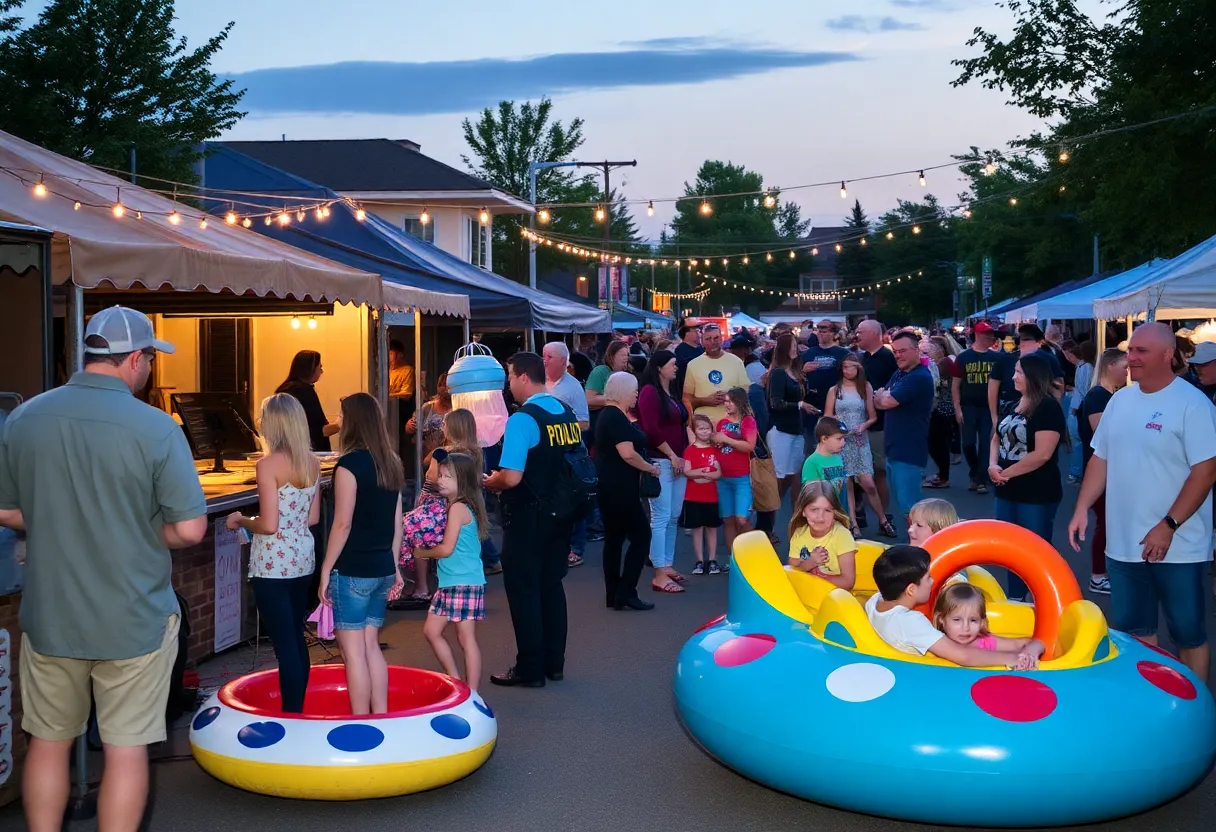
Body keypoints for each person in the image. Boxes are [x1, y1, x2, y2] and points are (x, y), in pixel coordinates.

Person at [0, 307, 206, 832]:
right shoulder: (158, 428)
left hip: (51, 617)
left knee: (47, 744)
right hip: (132, 618)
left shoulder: (25, 417)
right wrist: (132, 526)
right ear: (134, 359)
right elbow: (190, 531)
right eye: (150, 361)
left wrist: (59, 520)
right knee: (125, 751)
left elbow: (6, 510)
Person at [1068, 323, 1216, 682]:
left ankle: (1198, 711)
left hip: (1178, 546)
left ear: (1168, 355)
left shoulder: (1193, 404)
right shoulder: (1120, 400)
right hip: (1123, 546)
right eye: (1131, 351)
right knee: (1136, 635)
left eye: (1141, 352)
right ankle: (1155, 709)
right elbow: (1100, 459)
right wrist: (1081, 507)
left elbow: (1206, 471)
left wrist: (1168, 525)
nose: (1131, 357)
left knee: (1188, 634)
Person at [484, 352, 582, 687]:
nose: (508, 384)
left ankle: (529, 668)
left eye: (510, 376)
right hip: (563, 512)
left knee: (524, 592)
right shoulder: (565, 413)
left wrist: (490, 481)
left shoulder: (523, 419)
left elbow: (511, 477)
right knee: (552, 587)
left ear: (524, 377)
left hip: (528, 515)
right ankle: (555, 663)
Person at [226, 394, 321, 713]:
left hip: (272, 566)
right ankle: (298, 708)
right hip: (303, 561)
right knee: (295, 636)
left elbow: (267, 524)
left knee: (284, 647)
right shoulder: (312, 462)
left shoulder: (267, 465)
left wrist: (240, 519)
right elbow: (313, 518)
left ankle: (291, 716)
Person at [318, 393, 405, 715]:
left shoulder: (348, 465)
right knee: (370, 647)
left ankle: (359, 722)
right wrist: (394, 566)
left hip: (353, 568)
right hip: (382, 566)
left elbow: (342, 524)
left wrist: (326, 569)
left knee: (352, 653)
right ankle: (380, 717)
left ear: (353, 421)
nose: (338, 421)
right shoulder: (392, 463)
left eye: (341, 415)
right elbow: (398, 525)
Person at [866, 546, 1026, 667]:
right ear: (911, 590)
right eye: (928, 577)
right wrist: (1011, 658)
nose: (933, 581)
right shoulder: (909, 621)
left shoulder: (875, 601)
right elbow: (963, 656)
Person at [987, 353, 1066, 599]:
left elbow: (1042, 454)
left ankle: (1045, 600)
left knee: (1035, 550)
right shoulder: (1011, 404)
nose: (1013, 376)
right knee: (1011, 549)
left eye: (1019, 372)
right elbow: (996, 437)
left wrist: (1005, 473)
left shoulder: (1047, 406)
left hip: (1036, 493)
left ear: (1033, 376)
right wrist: (992, 465)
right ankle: (1017, 597)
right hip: (1006, 490)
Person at [418, 452, 488, 691]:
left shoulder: (457, 508)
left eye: (448, 477)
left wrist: (421, 553)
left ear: (463, 482)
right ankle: (457, 682)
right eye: (442, 475)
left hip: (462, 581)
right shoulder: (457, 505)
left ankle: (471, 692)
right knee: (432, 630)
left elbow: (446, 549)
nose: (441, 480)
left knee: (466, 639)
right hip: (453, 581)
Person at [595, 372, 659, 611]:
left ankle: (614, 593)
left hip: (609, 485)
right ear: (623, 392)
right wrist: (650, 468)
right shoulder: (616, 418)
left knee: (614, 540)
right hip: (620, 487)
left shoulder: (609, 415)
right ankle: (627, 590)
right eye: (634, 390)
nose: (636, 394)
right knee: (642, 536)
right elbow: (628, 454)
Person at [637, 350, 690, 593]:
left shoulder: (671, 392)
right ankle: (659, 570)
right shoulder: (650, 392)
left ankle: (666, 563)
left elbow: (681, 424)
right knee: (661, 515)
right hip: (661, 460)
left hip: (676, 460)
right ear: (659, 367)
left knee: (673, 515)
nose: (676, 367)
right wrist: (671, 454)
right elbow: (651, 428)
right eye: (672, 364)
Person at [1076, 348, 1128, 596]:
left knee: (1110, 524)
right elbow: (1104, 435)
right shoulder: (1098, 397)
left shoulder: (1109, 395)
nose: (1127, 371)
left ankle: (1103, 573)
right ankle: (1098, 575)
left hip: (1110, 471)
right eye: (1123, 366)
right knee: (1105, 525)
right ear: (1110, 366)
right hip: (1101, 470)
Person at [827, 353, 894, 537]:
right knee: (847, 483)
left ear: (859, 368)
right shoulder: (835, 389)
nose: (848, 370)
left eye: (852, 366)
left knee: (868, 483)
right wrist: (838, 422)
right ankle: (853, 523)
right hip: (842, 440)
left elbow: (873, 416)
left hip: (860, 440)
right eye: (845, 367)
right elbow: (827, 415)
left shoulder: (865, 387)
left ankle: (883, 520)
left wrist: (863, 425)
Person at [874, 330, 935, 524]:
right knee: (906, 507)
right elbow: (880, 399)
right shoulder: (900, 373)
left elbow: (885, 401)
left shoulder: (918, 377)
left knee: (911, 510)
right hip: (895, 449)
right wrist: (882, 397)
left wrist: (883, 396)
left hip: (908, 451)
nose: (898, 355)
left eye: (902, 351)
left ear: (916, 350)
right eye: (895, 351)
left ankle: (921, 549)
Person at [544, 341, 592, 569]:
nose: (544, 361)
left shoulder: (573, 387)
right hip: (547, 451)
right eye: (543, 356)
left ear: (563, 361)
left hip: (570, 452)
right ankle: (556, 545)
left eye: (549, 357)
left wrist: (559, 427)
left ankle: (577, 548)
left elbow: (584, 423)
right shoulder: (540, 383)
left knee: (573, 498)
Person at [932, 584, 1045, 669]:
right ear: (942, 619)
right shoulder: (936, 643)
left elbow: (1030, 643)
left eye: (973, 620)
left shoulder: (985, 642)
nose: (965, 628)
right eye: (957, 620)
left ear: (982, 622)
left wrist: (1031, 650)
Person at [766, 332, 815, 513]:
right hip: (781, 430)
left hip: (797, 430)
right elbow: (775, 402)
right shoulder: (778, 373)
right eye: (793, 345)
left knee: (795, 474)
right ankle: (769, 515)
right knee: (780, 475)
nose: (796, 348)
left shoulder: (795, 372)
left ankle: (797, 514)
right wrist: (800, 405)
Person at [856, 319, 897, 519]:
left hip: (880, 424)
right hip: (859, 422)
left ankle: (885, 513)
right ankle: (860, 508)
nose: (857, 335)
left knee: (878, 470)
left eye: (860, 331)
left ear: (873, 334)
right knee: (858, 470)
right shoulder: (861, 358)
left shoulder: (889, 358)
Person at [951, 322, 998, 494]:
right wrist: (957, 408)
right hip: (968, 406)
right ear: (977, 335)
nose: (990, 338)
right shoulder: (964, 357)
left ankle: (980, 480)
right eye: (987, 335)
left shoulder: (996, 358)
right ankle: (976, 472)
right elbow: (956, 385)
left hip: (988, 407)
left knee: (986, 443)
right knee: (968, 444)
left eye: (991, 335)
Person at [787, 480, 857, 591]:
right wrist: (809, 563)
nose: (820, 517)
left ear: (834, 512)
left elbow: (848, 582)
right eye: (814, 510)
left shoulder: (842, 535)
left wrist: (820, 576)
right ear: (803, 511)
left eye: (827, 511)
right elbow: (792, 572)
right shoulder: (799, 534)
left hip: (834, 597)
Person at [988, 323, 1065, 425]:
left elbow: (1058, 386)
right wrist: (994, 417)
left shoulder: (1048, 358)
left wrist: (1055, 412)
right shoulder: (1007, 359)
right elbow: (993, 385)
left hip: (1038, 411)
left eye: (1025, 339)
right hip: (1009, 410)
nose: (1014, 377)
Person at [714, 387, 758, 555]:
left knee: (742, 518)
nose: (727, 404)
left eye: (730, 401)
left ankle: (752, 553)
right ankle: (734, 559)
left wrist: (726, 439)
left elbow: (749, 445)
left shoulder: (747, 421)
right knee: (728, 520)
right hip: (723, 478)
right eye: (725, 401)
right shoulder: (722, 422)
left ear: (739, 402)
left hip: (742, 477)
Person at [681, 414, 723, 574]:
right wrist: (703, 472)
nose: (704, 432)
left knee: (712, 528)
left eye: (707, 428)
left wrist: (703, 474)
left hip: (710, 495)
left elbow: (718, 473)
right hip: (693, 496)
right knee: (697, 529)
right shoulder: (690, 450)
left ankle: (712, 559)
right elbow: (687, 471)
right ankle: (699, 560)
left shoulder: (714, 450)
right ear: (694, 430)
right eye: (701, 428)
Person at [799, 320, 850, 454]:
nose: (821, 333)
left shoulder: (843, 353)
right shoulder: (808, 354)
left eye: (825, 330)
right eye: (819, 330)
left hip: (836, 403)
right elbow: (796, 378)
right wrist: (803, 371)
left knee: (836, 444)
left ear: (833, 333)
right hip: (812, 404)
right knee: (812, 445)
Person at [684, 323, 750, 424]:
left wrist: (730, 396)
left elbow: (745, 393)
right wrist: (705, 401)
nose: (712, 342)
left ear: (722, 339)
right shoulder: (693, 365)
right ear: (701, 341)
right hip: (703, 426)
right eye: (708, 339)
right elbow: (686, 399)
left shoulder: (736, 361)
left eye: (716, 338)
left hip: (731, 424)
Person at [800, 417, 857, 533]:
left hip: (840, 516)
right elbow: (812, 495)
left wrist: (850, 517)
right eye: (839, 439)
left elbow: (845, 489)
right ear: (824, 439)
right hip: (822, 519)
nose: (843, 442)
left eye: (844, 439)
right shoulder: (812, 462)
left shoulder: (838, 459)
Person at [277, 350, 340, 452]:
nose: (321, 371)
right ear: (310, 369)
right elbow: (319, 431)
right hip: (309, 455)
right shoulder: (304, 392)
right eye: (320, 367)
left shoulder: (284, 390)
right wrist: (342, 422)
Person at [1063, 340, 1097, 483]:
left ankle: (1077, 472)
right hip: (1077, 408)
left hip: (1077, 409)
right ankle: (1078, 471)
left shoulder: (1085, 367)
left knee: (1077, 442)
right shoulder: (1084, 367)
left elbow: (1085, 391)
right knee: (1077, 441)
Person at [924, 339, 955, 489]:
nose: (926, 354)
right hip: (941, 407)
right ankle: (942, 474)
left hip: (942, 407)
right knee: (936, 443)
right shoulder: (941, 363)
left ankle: (943, 476)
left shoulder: (944, 363)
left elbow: (935, 383)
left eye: (928, 350)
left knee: (938, 443)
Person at [585, 340, 631, 433]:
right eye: (622, 355)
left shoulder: (626, 374)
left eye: (627, 355)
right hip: (599, 422)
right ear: (611, 356)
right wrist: (617, 399)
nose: (626, 358)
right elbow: (589, 400)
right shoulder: (600, 371)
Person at [406, 372, 453, 463]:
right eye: (441, 385)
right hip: (426, 461)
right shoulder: (427, 407)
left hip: (449, 460)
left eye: (447, 386)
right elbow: (410, 428)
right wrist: (409, 426)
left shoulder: (459, 408)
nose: (444, 389)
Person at [673, 323, 704, 400]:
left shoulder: (701, 349)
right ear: (687, 334)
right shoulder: (680, 350)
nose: (699, 334)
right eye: (696, 331)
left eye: (699, 331)